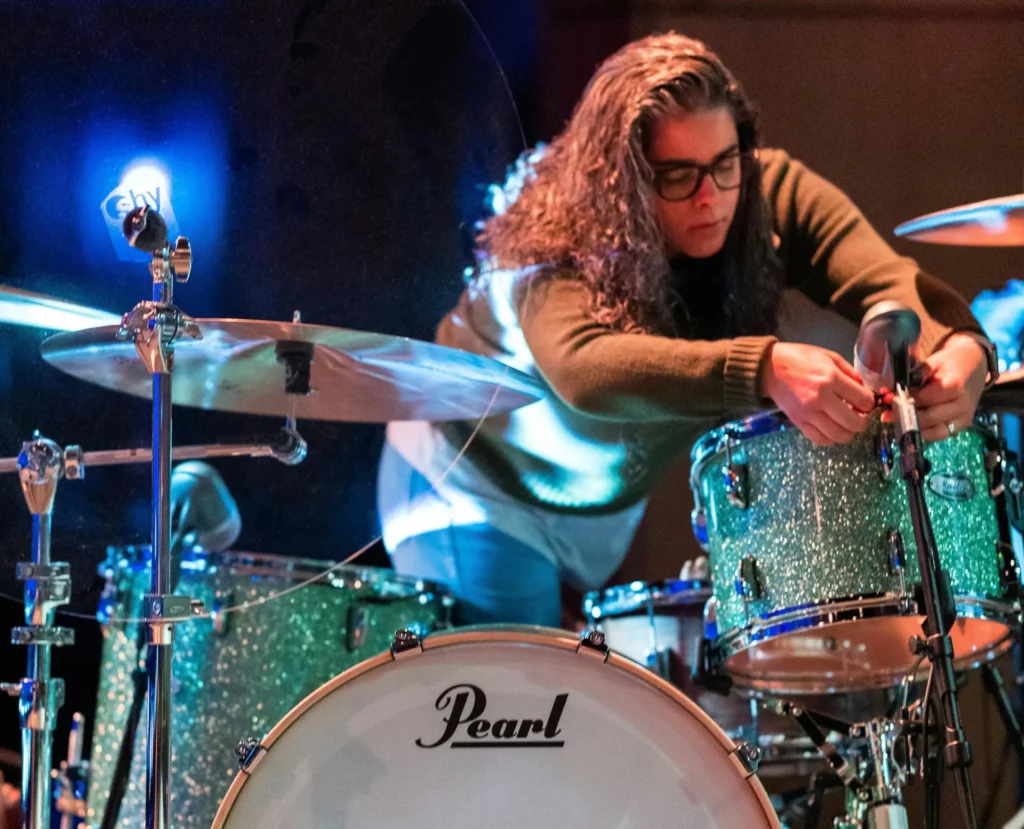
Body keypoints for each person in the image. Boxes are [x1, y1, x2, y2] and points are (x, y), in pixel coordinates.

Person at [376, 32, 996, 628]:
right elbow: (584, 369)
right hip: (468, 482)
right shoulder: (550, 233)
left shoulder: (757, 189)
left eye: (725, 162)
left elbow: (886, 279)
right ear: (619, 180)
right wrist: (765, 369)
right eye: (677, 175)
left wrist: (964, 348)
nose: (711, 197)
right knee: (518, 719)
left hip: (591, 509)